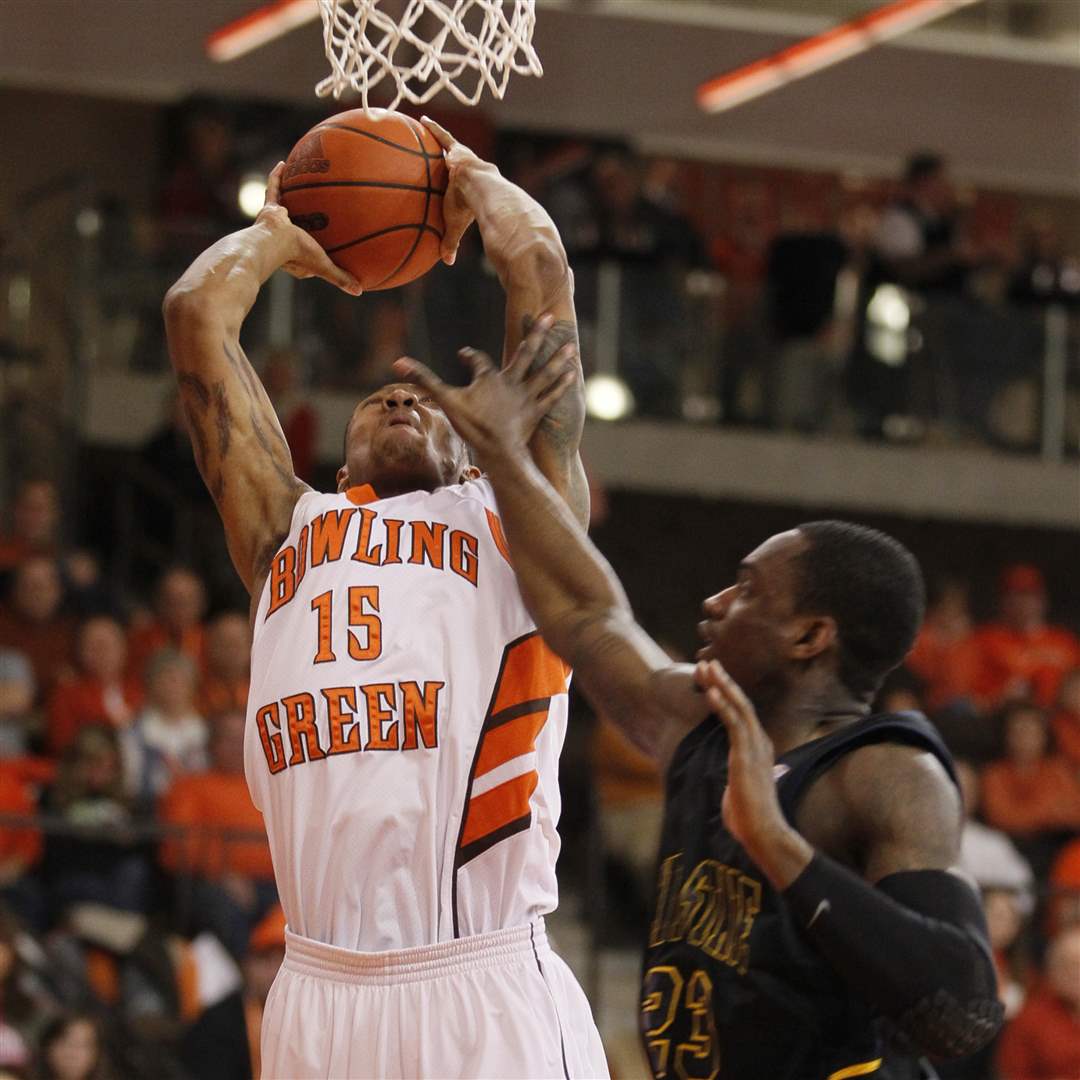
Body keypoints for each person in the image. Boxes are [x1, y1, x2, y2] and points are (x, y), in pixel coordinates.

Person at [397, 337, 1004, 1078]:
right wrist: (501, 453)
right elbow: (588, 613)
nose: (715, 602)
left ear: (810, 637)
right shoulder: (698, 719)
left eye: (747, 590)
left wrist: (777, 845)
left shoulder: (884, 775)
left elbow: (964, 1012)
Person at [162, 116, 604, 1080]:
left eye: (425, 403)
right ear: (338, 462)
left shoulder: (513, 519)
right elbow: (195, 311)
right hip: (317, 993)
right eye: (378, 401)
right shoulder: (286, 531)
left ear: (473, 450)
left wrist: (469, 179)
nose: (402, 401)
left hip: (481, 978)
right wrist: (274, 234)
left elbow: (540, 265)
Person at [997, 924, 1080, 1080]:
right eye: (1067, 965)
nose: (1075, 973)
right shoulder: (1029, 1017)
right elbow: (1011, 1074)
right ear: (1052, 970)